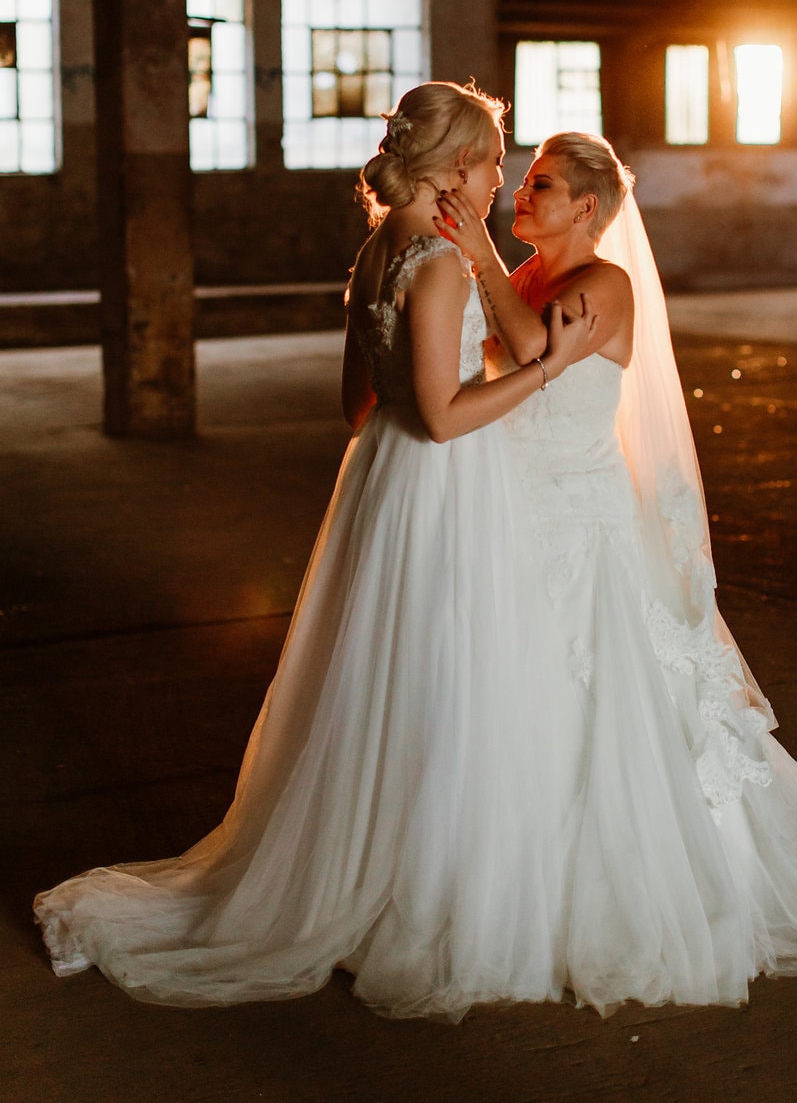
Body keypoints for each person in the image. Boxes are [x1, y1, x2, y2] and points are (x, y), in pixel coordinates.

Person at [34, 81, 597, 1017]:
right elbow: (449, 420)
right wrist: (543, 369)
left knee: (389, 676)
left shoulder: (377, 251)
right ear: (458, 166)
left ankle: (388, 852)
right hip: (442, 487)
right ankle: (424, 885)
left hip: (382, 481)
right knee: (451, 675)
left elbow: (358, 406)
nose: (503, 176)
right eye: (498, 159)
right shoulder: (442, 263)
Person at [436, 130, 797, 1013]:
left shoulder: (604, 284)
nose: (521, 195)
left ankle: (633, 877)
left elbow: (528, 358)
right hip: (525, 516)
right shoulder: (521, 278)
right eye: (522, 182)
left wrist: (476, 250)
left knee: (610, 705)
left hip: (588, 529)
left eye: (542, 185)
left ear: (588, 209)